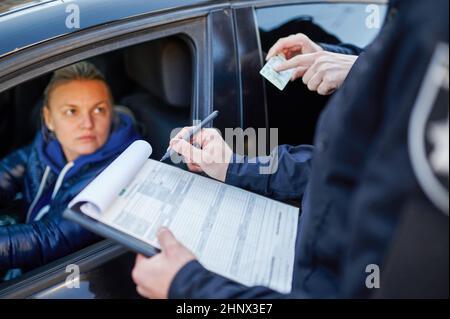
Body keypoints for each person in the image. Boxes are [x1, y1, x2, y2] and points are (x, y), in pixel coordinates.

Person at [132, 0, 448, 298]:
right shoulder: (417, 26)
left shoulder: (434, 34)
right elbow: (337, 167)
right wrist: (233, 165)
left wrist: (188, 288)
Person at [0, 61, 140, 273]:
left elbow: (51, 236)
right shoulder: (49, 142)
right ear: (49, 119)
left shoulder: (121, 171)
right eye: (71, 111)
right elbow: (9, 171)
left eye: (99, 109)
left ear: (111, 114)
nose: (87, 123)